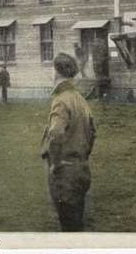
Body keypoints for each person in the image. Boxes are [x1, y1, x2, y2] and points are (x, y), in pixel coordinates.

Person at [41, 53, 96, 232]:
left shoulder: (61, 100)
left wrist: (56, 163)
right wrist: (81, 157)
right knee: (76, 224)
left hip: (65, 174)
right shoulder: (80, 99)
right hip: (81, 169)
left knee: (69, 229)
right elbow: (93, 133)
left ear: (56, 72)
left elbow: (55, 134)